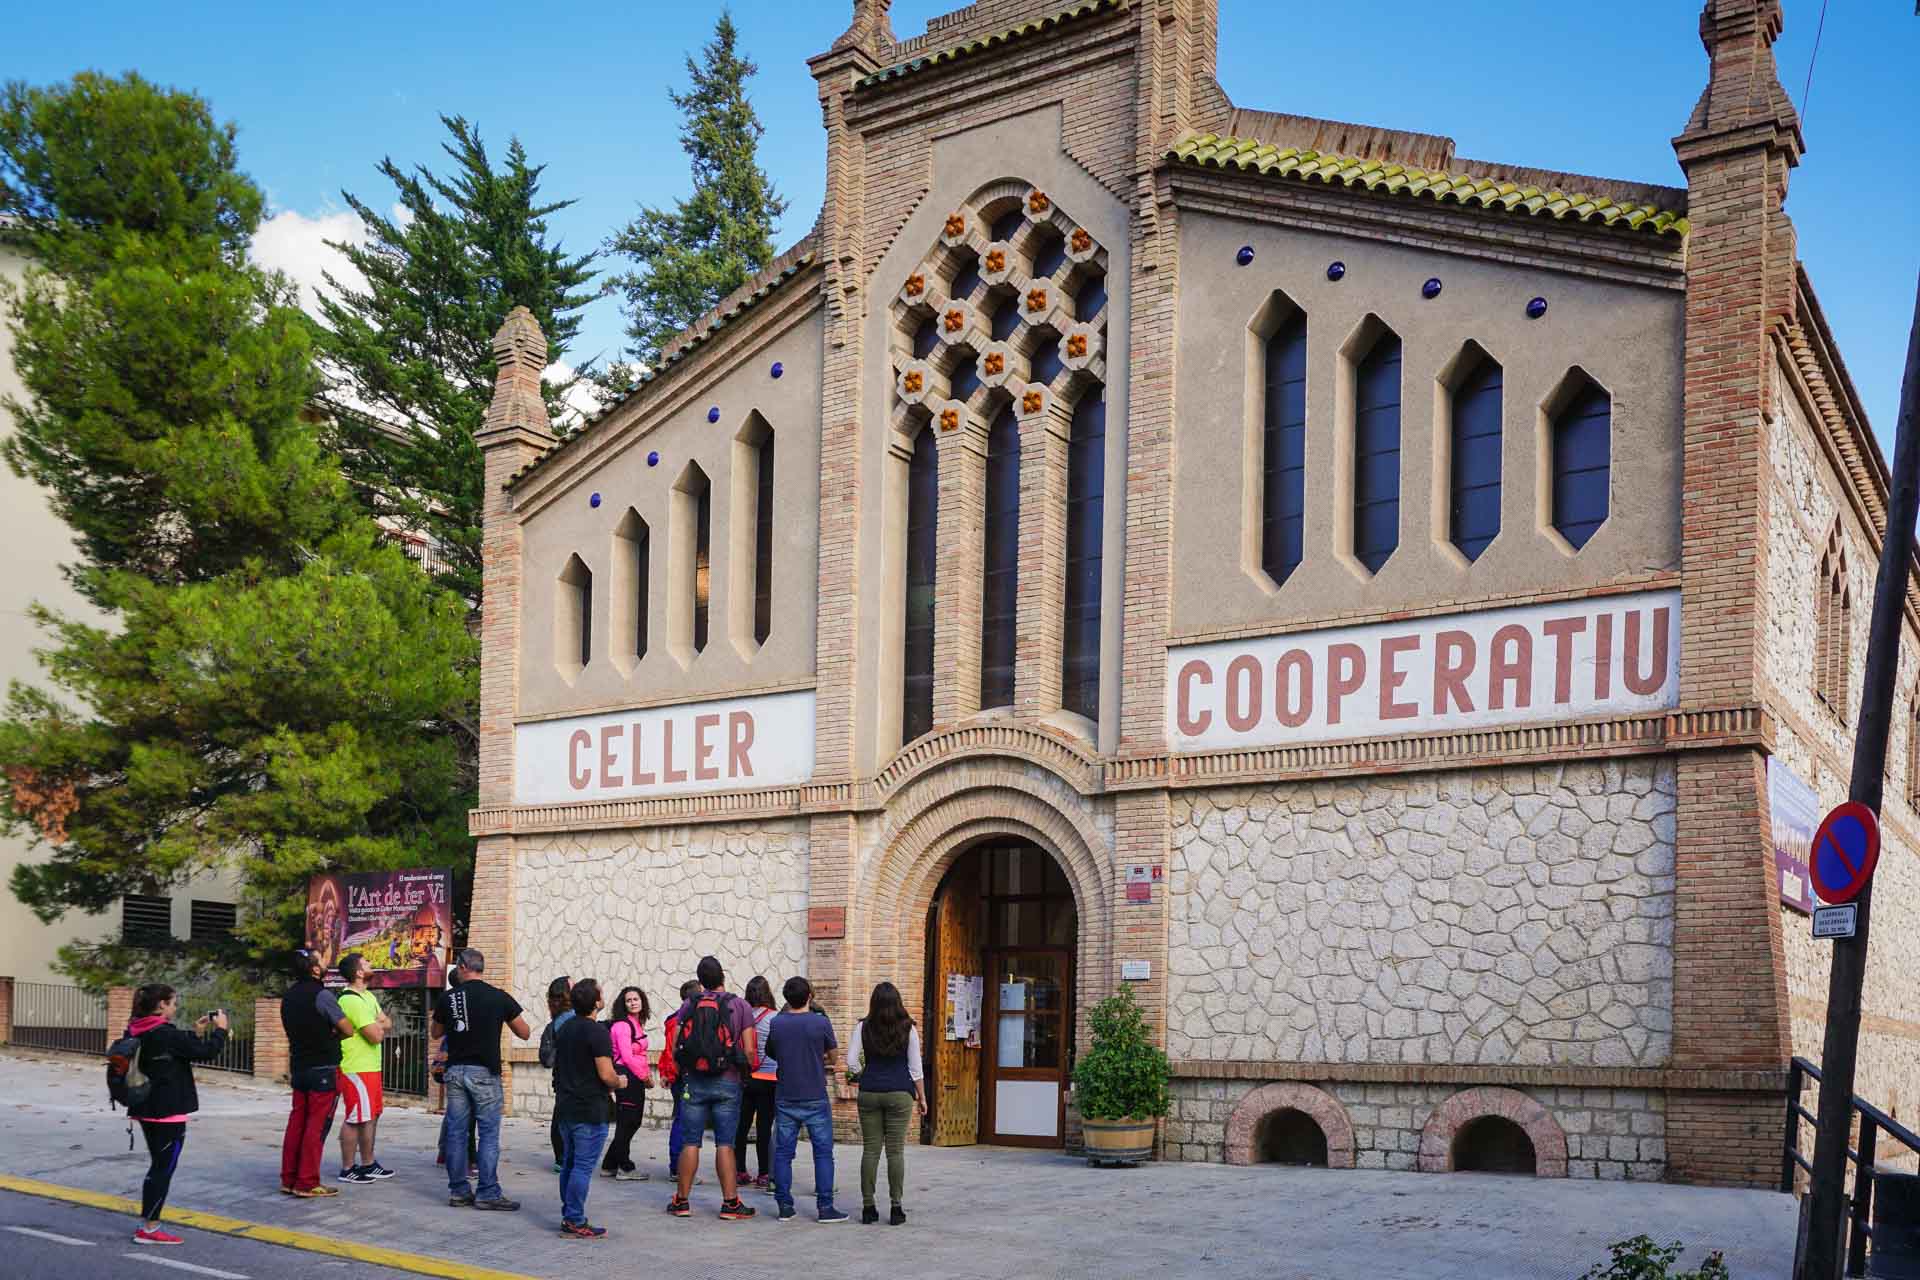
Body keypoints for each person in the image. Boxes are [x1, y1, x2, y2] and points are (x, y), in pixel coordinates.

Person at [124, 984, 229, 1245]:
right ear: (161, 1005)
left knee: (157, 1165)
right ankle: (149, 1228)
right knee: (162, 1168)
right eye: (172, 1003)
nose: (175, 1007)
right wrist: (221, 1030)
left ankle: (149, 1223)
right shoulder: (165, 1034)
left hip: (144, 1106)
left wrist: (196, 1032)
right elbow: (206, 1053)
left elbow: (179, 1053)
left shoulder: (136, 1028)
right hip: (167, 1110)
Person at [430, 947, 530, 1211]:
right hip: (485, 1073)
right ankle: (487, 1192)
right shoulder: (498, 997)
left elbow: (435, 1032)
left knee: (456, 1133)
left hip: (455, 1073)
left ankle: (459, 1192)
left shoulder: (449, 998)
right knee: (487, 1134)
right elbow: (524, 1032)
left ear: (462, 966)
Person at [666, 956, 758, 1221]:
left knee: (690, 1142)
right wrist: (742, 1071)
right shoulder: (739, 1005)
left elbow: (675, 1048)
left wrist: (686, 1071)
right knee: (725, 1144)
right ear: (723, 977)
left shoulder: (688, 1004)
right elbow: (750, 1051)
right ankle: (730, 1204)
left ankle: (681, 1201)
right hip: (728, 1081)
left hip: (694, 1081)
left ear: (700, 980)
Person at [763, 976, 845, 1224]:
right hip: (815, 1096)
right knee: (822, 1153)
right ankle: (825, 1206)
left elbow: (771, 1051)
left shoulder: (777, 1023)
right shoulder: (821, 1023)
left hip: (786, 1095)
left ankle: (785, 1206)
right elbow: (834, 1056)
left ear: (786, 998)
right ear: (809, 995)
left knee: (784, 1153)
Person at [846, 981, 927, 1226]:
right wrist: (922, 1097)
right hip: (900, 1093)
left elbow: (851, 1061)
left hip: (870, 1091)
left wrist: (864, 1074)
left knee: (871, 1150)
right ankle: (896, 1208)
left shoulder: (862, 1027)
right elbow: (915, 1069)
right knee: (895, 1152)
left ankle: (868, 1207)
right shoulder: (908, 1028)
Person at [552, 979, 627, 1239]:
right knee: (582, 1167)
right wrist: (620, 1081)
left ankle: (569, 1215)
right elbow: (606, 1075)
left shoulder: (564, 1029)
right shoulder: (596, 1032)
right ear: (596, 1002)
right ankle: (574, 1219)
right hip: (589, 1110)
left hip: (566, 1108)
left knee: (570, 1164)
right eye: (601, 993)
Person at [280, 948, 353, 1198]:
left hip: (299, 1067)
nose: (325, 963)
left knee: (297, 1123)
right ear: (314, 969)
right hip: (324, 1068)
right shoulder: (321, 995)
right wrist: (334, 1034)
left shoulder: (288, 997)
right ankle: (307, 1182)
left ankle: (289, 1178)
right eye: (321, 960)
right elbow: (348, 1029)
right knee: (317, 1126)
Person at [334, 954, 393, 1184]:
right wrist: (374, 1024)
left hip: (371, 1067)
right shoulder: (351, 1000)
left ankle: (368, 1164)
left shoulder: (367, 996)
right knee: (355, 1117)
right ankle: (348, 1168)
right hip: (355, 1067)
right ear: (358, 972)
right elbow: (376, 1035)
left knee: (371, 1115)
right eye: (366, 963)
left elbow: (387, 1022)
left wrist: (373, 1023)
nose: (371, 966)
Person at [600, 985, 653, 1180]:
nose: (632, 1003)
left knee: (631, 1122)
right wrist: (644, 1077)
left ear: (642, 1001)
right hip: (627, 1076)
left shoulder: (636, 1023)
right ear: (623, 1004)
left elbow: (640, 1055)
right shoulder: (622, 1026)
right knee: (627, 1123)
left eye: (636, 999)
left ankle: (609, 1165)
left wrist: (645, 1073)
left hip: (635, 1076)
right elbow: (627, 1057)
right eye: (628, 1000)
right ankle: (625, 1167)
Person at [733, 976, 779, 1192]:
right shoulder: (775, 1018)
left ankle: (739, 1170)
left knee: (741, 1126)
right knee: (764, 1128)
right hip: (769, 1079)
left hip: (744, 1077)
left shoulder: (741, 1016)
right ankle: (764, 1173)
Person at [659, 978, 702, 1185]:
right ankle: (679, 1167)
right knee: (686, 1123)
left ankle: (677, 1166)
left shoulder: (672, 1019)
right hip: (689, 1076)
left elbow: (668, 1051)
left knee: (681, 1119)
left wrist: (667, 1073)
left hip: (677, 1077)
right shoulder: (690, 1019)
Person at [537, 975, 573, 1173]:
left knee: (560, 1115)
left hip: (561, 1077)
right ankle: (564, 1156)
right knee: (565, 1118)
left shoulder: (558, 1018)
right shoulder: (571, 1018)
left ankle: (561, 1157)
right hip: (571, 1075)